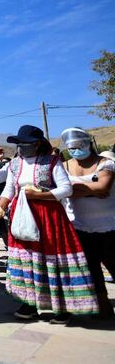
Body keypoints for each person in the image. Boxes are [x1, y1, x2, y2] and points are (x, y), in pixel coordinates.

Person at [0, 125, 98, 323]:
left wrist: (42, 195)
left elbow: (66, 189)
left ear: (37, 144)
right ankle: (30, 303)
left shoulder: (52, 162)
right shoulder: (15, 164)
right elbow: (9, 189)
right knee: (28, 260)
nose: (21, 147)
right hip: (22, 215)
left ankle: (62, 306)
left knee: (52, 258)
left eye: (25, 144)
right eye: (19, 144)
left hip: (48, 216)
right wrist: (1, 205)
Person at [60, 127, 115, 319]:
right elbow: (62, 190)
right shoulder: (65, 166)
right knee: (91, 269)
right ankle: (103, 307)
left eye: (78, 146)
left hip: (109, 226)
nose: (75, 150)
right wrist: (93, 191)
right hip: (79, 226)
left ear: (88, 144)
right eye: (71, 147)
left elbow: (104, 186)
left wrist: (76, 189)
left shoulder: (105, 163)